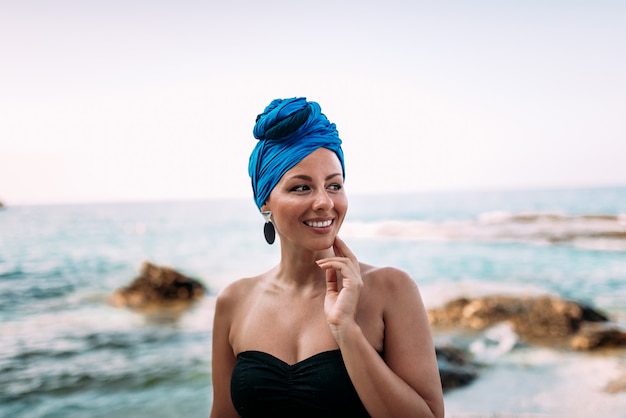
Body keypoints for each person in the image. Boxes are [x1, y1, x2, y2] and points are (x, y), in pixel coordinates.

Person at [210, 97, 444, 418]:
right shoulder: (234, 301)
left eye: (334, 185)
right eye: (301, 188)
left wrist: (346, 330)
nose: (324, 202)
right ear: (265, 202)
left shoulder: (392, 289)